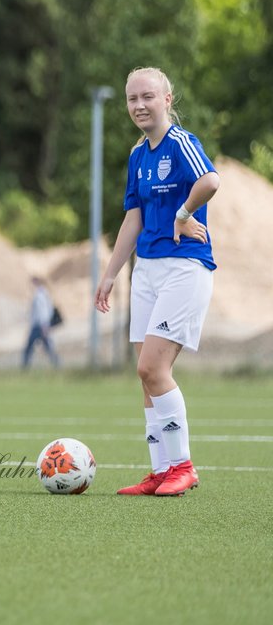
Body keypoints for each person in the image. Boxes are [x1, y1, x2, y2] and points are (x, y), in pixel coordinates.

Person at [95, 66, 219, 497]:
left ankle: (183, 467)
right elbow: (134, 216)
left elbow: (210, 180)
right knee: (144, 374)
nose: (139, 105)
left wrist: (183, 216)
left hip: (184, 267)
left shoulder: (181, 142)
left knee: (154, 367)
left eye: (148, 96)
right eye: (132, 99)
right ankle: (161, 470)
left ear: (167, 99)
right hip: (145, 271)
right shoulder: (137, 155)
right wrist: (111, 274)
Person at [22, 276, 60, 369]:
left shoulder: (40, 295)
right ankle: (57, 364)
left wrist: (44, 325)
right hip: (41, 325)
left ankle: (25, 367)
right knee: (47, 347)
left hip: (39, 326)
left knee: (29, 347)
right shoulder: (44, 294)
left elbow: (43, 311)